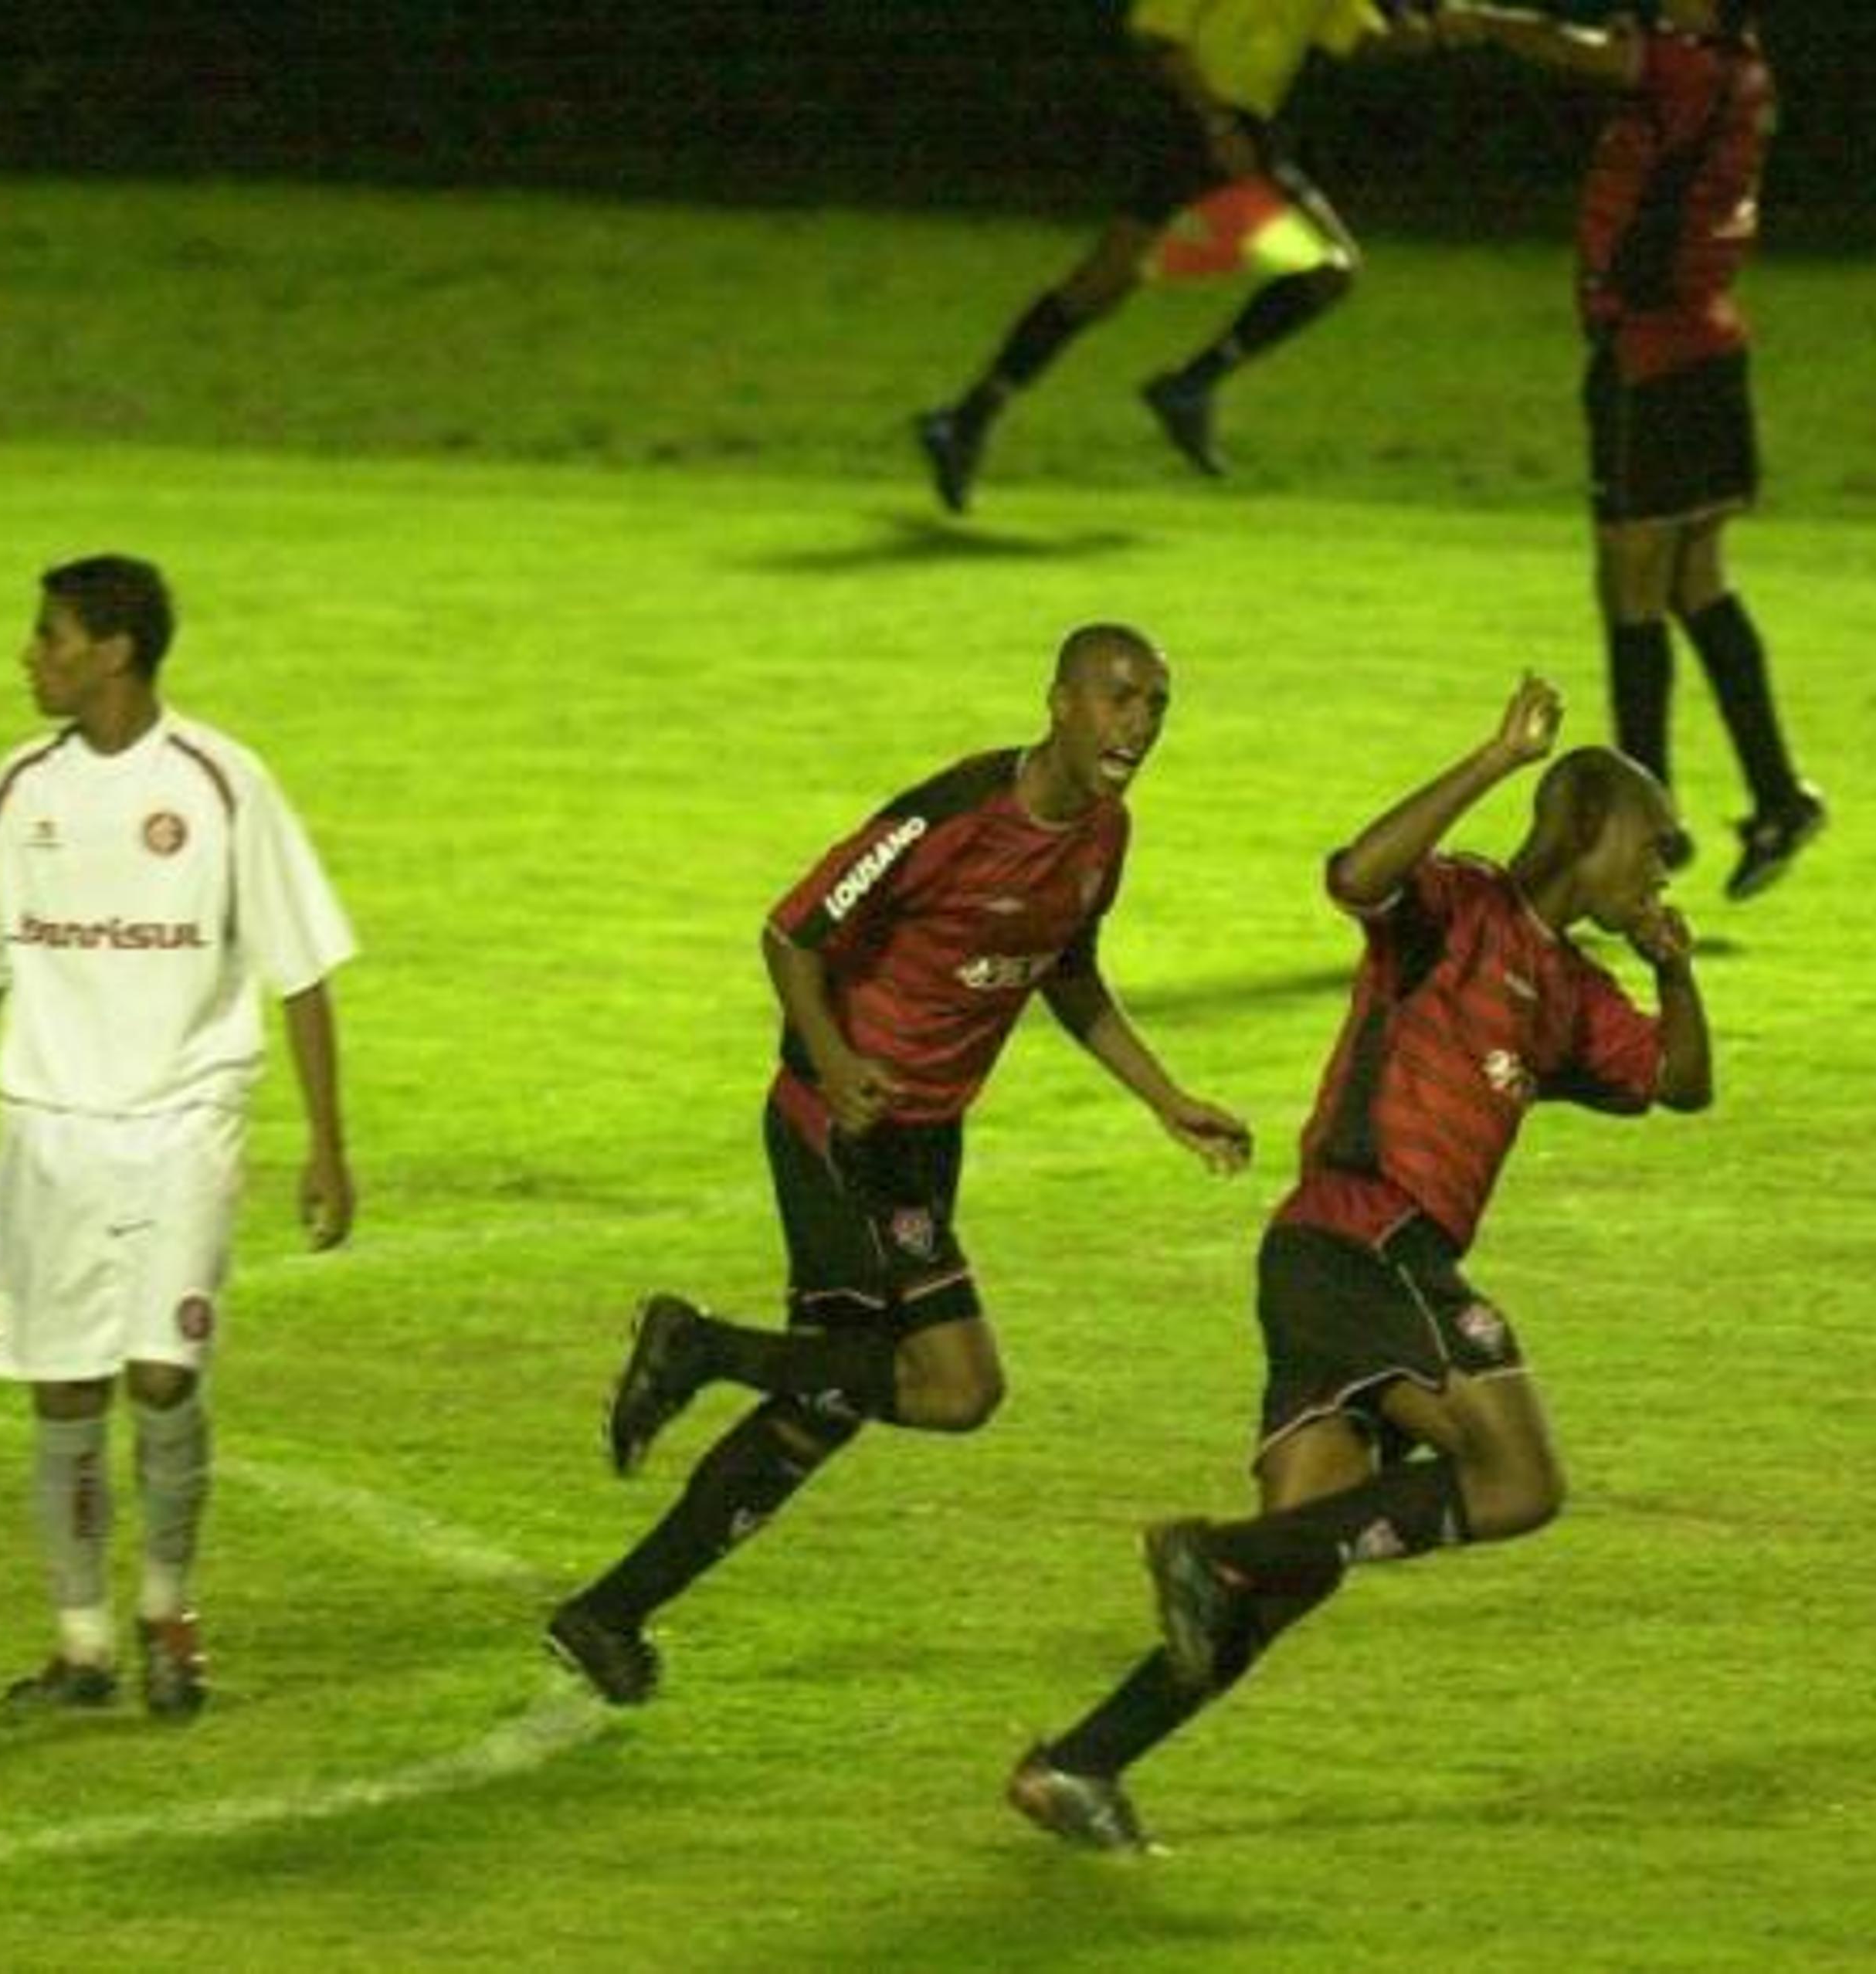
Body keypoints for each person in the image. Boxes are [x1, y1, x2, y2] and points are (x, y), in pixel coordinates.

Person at [1008, 673, 1711, 1854]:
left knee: (1298, 1566)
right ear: (1582, 831)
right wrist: (1492, 761)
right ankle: (1208, 1551)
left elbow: (1679, 1085)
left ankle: (1079, 1763)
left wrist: (1675, 966)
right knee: (1518, 1482)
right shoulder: (1458, 910)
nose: (1660, 873)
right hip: (1363, 1238)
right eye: (1650, 850)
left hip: (1345, 1263)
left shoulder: (1575, 993)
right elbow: (1354, 875)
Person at [547, 623, 1253, 1706]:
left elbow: (1068, 973)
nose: (1140, 725)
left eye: (1157, 704)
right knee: (959, 1387)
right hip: (845, 1132)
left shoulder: (1104, 835)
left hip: (927, 1138)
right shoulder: (952, 818)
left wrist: (1166, 1100)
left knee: (824, 1402)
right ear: (1059, 701)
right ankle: (701, 1348)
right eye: (1120, 699)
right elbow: (790, 936)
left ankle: (610, 1610)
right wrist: (834, 1065)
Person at [0, 554, 355, 1722]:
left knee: (161, 1372)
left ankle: (169, 1614)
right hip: (48, 1128)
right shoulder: (16, 790)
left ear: (114, 652)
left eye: (49, 637)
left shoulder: (220, 783)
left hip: (184, 1117)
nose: (29, 656)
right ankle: (83, 1642)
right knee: (62, 1391)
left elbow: (301, 971)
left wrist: (329, 1147)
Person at [1437, 0, 1823, 899]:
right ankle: (1777, 797)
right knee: (1695, 580)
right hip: (1712, 345)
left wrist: (1483, 21)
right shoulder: (1742, 64)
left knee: (1631, 582)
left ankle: (1649, 828)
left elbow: (1579, 52)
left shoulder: (1683, 63)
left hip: (1651, 356)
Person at [916, 0, 1435, 500]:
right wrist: (1216, 123)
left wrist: (1412, 35)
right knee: (1109, 285)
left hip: (1242, 132)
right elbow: (1157, 36)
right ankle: (1182, 387)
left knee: (1104, 285)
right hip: (1190, 121)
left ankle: (968, 419)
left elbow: (1358, 38)